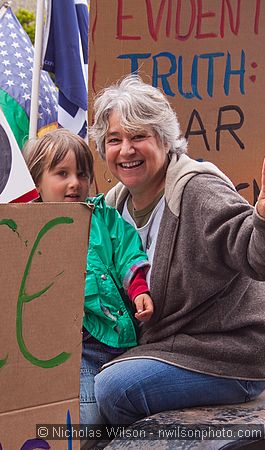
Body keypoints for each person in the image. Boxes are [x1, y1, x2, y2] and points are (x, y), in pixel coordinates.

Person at [88, 74, 265, 428]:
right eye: (114, 140)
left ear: (166, 141)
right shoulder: (111, 207)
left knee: (114, 389)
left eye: (139, 136)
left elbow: (263, 260)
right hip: (161, 347)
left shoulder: (199, 191)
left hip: (228, 355)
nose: (126, 150)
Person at [23, 129, 154, 426]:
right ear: (37, 183)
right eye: (62, 173)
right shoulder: (24, 228)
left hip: (121, 343)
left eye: (82, 174)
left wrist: (139, 290)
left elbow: (128, 252)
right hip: (77, 352)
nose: (75, 183)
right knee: (85, 422)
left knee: (127, 415)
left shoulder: (102, 216)